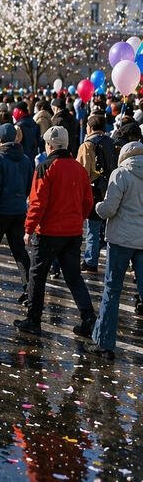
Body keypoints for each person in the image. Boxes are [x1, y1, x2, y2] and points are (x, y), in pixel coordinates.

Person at [15, 126, 97, 337]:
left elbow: (37, 202)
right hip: (72, 231)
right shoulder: (79, 169)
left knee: (37, 275)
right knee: (73, 277)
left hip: (50, 232)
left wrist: (28, 228)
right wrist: (78, 219)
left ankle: (33, 319)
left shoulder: (45, 167)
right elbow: (88, 201)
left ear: (49, 145)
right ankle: (89, 317)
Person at [89, 141, 143, 359]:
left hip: (121, 239)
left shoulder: (120, 174)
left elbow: (109, 209)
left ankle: (105, 343)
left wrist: (97, 206)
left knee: (112, 290)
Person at [0, 123, 33, 302]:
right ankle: (29, 287)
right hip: (18, 210)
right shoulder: (25, 159)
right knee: (19, 250)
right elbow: (28, 186)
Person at [76, 114, 117, 274]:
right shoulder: (111, 142)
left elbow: (83, 171)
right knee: (108, 228)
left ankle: (90, 261)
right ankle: (109, 263)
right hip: (111, 188)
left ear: (90, 127)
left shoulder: (87, 145)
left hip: (94, 190)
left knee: (93, 227)